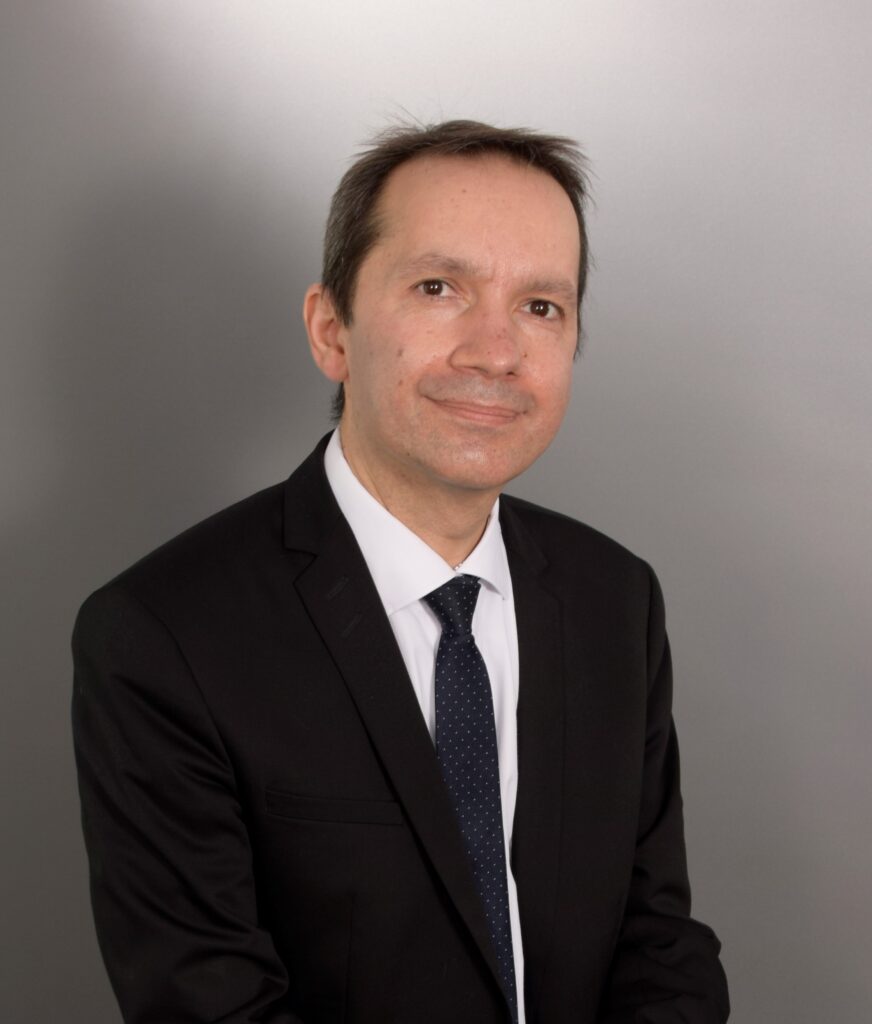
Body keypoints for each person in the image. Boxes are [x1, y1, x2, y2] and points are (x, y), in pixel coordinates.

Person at [72, 120, 729, 1024]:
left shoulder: (615, 599)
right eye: (438, 288)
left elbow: (659, 945)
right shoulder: (165, 636)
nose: (496, 352)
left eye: (542, 306)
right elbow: (212, 1005)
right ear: (331, 331)